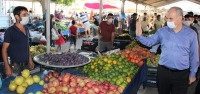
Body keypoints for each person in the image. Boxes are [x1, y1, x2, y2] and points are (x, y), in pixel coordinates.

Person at [136, 7, 199, 94]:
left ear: (180, 18)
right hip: (163, 72)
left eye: (171, 18)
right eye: (167, 18)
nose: (168, 21)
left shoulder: (191, 34)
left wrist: (193, 73)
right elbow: (150, 42)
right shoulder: (162, 31)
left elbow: (194, 54)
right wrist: (140, 36)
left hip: (181, 74)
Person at [2, 6, 34, 77]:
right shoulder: (10, 31)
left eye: (27, 14)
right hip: (15, 66)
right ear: (17, 16)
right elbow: (4, 50)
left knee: (26, 84)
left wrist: (30, 60)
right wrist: (7, 67)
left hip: (26, 65)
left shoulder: (26, 29)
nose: (27, 16)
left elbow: (27, 45)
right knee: (15, 85)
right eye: (24, 15)